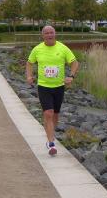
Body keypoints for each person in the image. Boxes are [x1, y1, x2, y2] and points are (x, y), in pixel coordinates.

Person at [26, 25, 79, 156]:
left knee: (55, 114)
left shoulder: (62, 48)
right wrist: (29, 76)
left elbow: (74, 63)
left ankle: (50, 135)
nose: (49, 35)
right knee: (48, 113)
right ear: (42, 35)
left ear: (55, 34)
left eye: (51, 33)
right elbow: (29, 62)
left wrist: (71, 76)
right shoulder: (37, 49)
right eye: (46, 33)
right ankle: (51, 143)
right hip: (44, 86)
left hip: (59, 87)